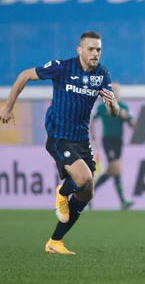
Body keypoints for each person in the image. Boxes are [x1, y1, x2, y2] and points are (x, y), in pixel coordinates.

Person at [0, 31, 119, 255]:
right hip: (59, 136)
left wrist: (113, 105)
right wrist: (7, 106)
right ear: (80, 50)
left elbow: (114, 111)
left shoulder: (102, 75)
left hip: (81, 140)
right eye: (91, 49)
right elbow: (25, 75)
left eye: (99, 49)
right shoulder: (62, 67)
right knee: (83, 179)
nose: (95, 53)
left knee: (87, 192)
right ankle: (62, 192)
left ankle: (55, 242)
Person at [90, 83, 135, 210]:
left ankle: (88, 193)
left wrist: (127, 117)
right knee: (116, 168)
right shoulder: (102, 107)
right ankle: (123, 201)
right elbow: (91, 122)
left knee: (113, 171)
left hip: (118, 141)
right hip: (108, 140)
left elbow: (134, 125)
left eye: (117, 90)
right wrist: (93, 138)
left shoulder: (124, 107)